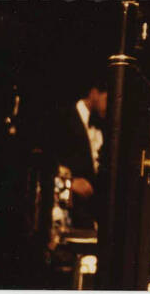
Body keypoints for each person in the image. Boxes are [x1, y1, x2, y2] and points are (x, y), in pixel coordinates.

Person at [51, 83, 108, 231]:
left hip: (88, 218)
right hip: (63, 216)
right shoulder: (63, 117)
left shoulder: (102, 126)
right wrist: (70, 182)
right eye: (107, 98)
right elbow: (45, 161)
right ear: (94, 93)